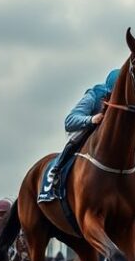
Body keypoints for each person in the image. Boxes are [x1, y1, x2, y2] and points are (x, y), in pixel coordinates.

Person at [42, 69, 121, 197]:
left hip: (110, 141)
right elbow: (69, 121)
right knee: (78, 138)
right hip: (88, 135)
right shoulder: (94, 95)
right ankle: (56, 171)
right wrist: (91, 119)